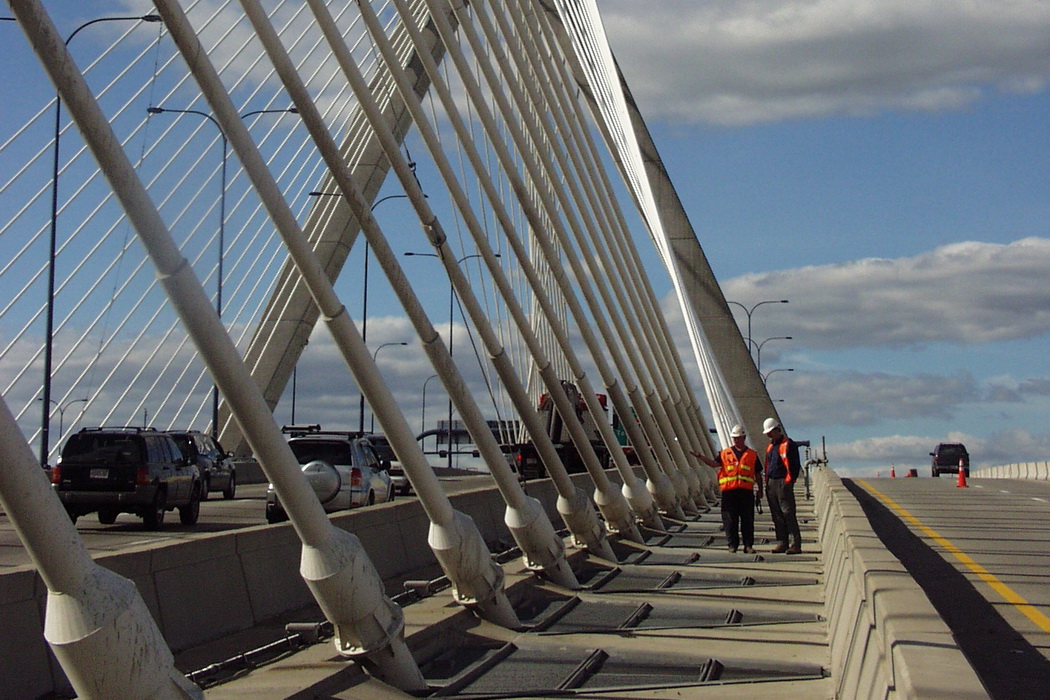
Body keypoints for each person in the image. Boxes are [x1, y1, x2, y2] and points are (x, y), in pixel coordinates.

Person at [691, 424, 762, 553]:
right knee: (730, 520)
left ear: (743, 438)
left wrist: (760, 490)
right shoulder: (725, 453)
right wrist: (700, 456)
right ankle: (732, 545)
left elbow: (757, 473)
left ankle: (748, 545)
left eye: (738, 438)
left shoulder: (752, 455)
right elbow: (714, 464)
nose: (735, 440)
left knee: (747, 520)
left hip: (746, 492)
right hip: (729, 492)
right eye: (734, 438)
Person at [762, 418, 802, 554]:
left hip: (783, 482)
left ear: (777, 430)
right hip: (771, 482)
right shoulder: (770, 447)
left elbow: (795, 465)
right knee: (777, 515)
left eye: (770, 433)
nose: (769, 436)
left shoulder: (788, 444)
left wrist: (788, 482)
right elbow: (768, 465)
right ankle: (782, 542)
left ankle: (795, 543)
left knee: (788, 513)